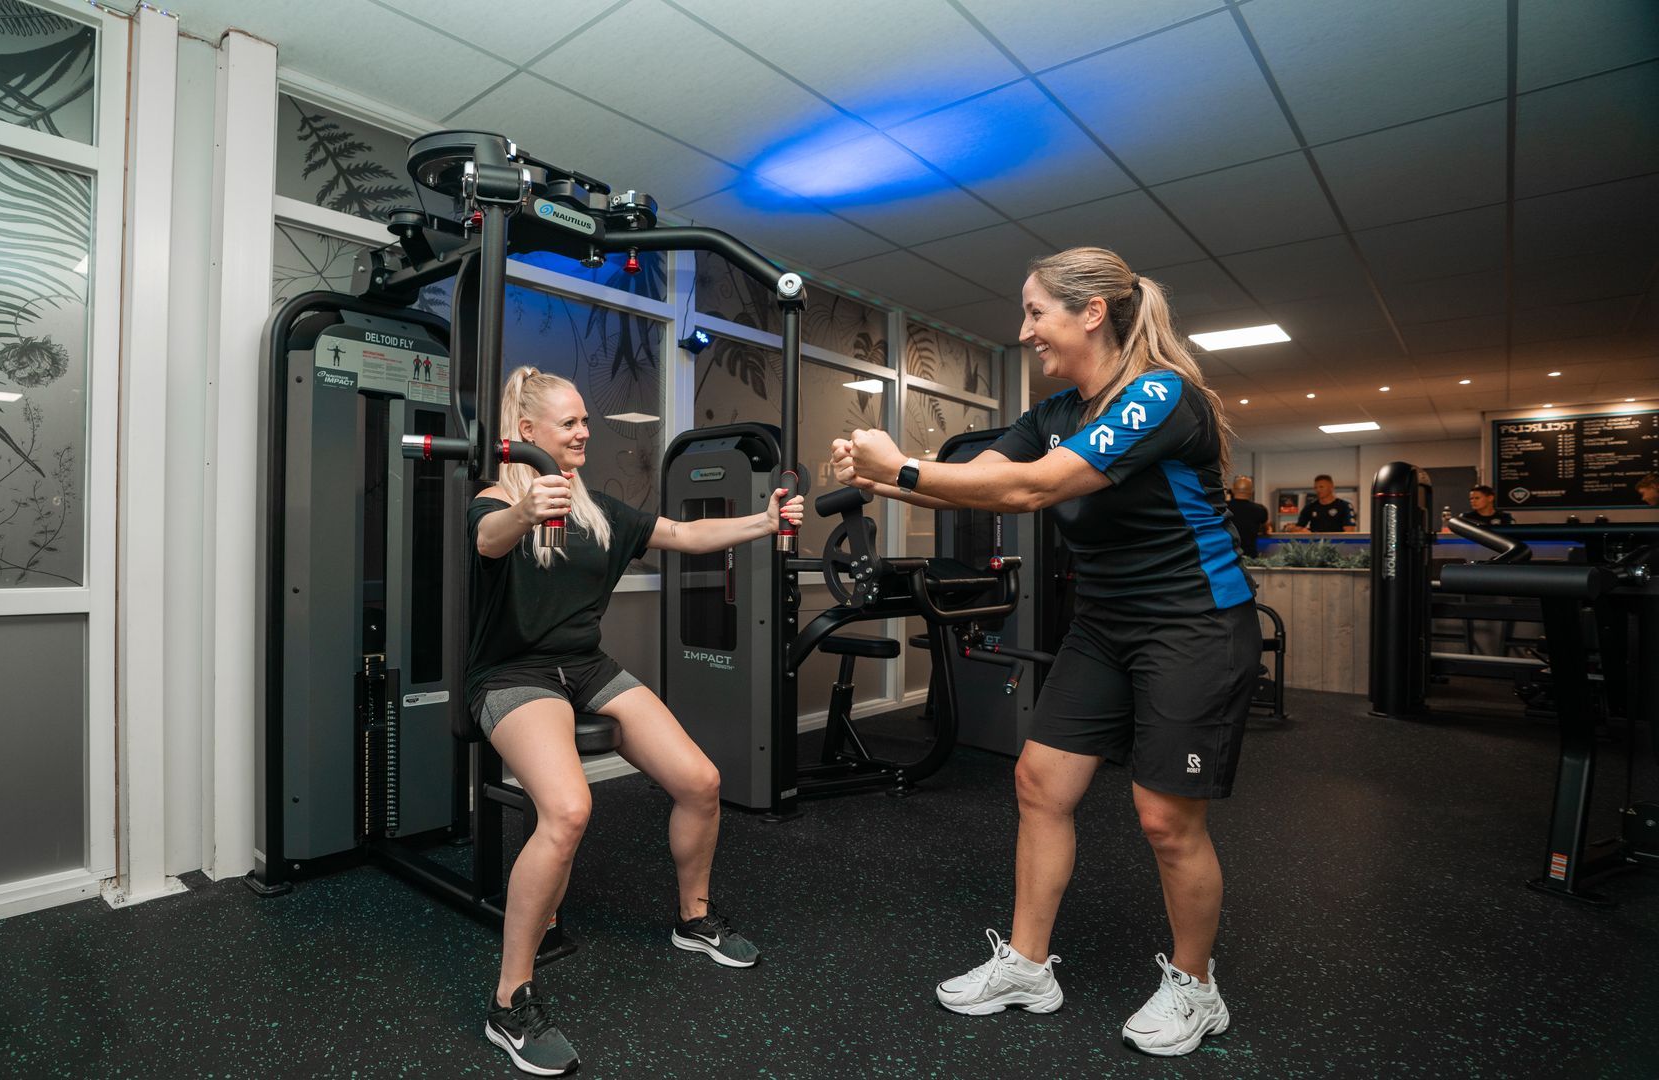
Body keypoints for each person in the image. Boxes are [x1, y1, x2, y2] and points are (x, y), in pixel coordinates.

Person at [832, 246, 1258, 1057]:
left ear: (1090, 311)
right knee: (1039, 781)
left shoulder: (1159, 396)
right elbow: (993, 473)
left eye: (1035, 312)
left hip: (1194, 620)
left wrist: (907, 467)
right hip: (1105, 622)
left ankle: (1197, 990)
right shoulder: (1057, 410)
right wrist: (887, 477)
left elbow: (1035, 489)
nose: (1023, 329)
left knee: (1165, 818)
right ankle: (1029, 966)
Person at [470, 366, 802, 1076]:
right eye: (570, 423)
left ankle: (694, 919)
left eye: (586, 420)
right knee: (566, 809)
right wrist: (527, 511)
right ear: (527, 433)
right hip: (512, 674)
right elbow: (489, 539)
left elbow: (684, 532)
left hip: (584, 663)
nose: (585, 431)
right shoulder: (498, 498)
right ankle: (509, 1001)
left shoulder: (597, 510)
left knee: (700, 780)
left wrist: (765, 521)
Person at [1288, 474, 1354, 532]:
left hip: (1338, 544)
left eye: (1321, 487)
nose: (1318, 490)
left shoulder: (1344, 506)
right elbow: (1299, 527)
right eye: (1315, 487)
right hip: (1316, 545)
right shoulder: (1310, 507)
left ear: (1331, 488)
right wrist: (1291, 529)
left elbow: (1349, 531)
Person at [1225, 475, 1270, 557]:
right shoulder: (1260, 509)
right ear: (1251, 491)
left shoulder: (1222, 508)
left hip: (1226, 557)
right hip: (1250, 557)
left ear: (1232, 490)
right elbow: (1266, 530)